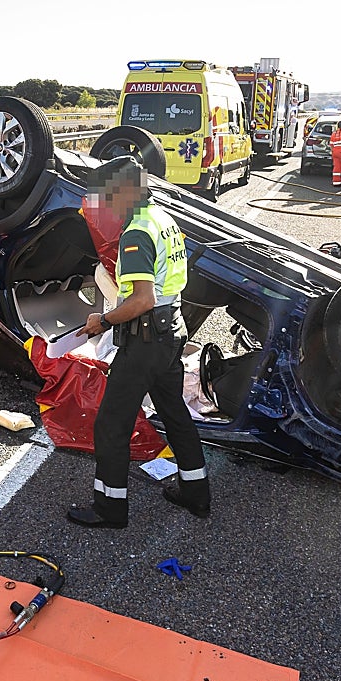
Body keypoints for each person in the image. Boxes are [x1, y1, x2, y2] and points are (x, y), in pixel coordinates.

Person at [66, 156, 210, 529]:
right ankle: (196, 493)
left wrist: (103, 321)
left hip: (145, 341)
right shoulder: (161, 219)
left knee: (112, 425)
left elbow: (141, 299)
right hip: (170, 334)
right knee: (175, 415)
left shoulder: (135, 233)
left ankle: (110, 508)